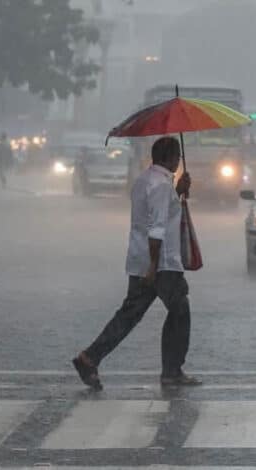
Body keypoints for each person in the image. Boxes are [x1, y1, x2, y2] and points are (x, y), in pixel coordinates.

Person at [72, 136, 199, 390]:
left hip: (141, 259)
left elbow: (156, 213)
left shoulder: (144, 181)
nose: (178, 162)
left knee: (130, 315)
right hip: (161, 263)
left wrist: (178, 192)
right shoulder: (161, 185)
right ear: (172, 157)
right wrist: (153, 267)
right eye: (177, 158)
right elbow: (157, 227)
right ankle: (172, 371)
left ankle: (90, 358)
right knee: (180, 310)